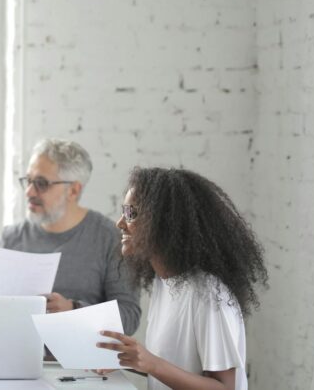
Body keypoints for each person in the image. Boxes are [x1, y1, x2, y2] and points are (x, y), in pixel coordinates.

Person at [96, 167, 268, 390]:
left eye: (131, 213)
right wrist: (128, 360)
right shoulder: (164, 282)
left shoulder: (208, 294)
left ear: (164, 222)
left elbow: (225, 388)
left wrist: (152, 364)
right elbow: (175, 367)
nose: (120, 223)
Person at [0, 138, 140, 334]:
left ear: (73, 190)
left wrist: (73, 310)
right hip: (13, 358)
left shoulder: (109, 238)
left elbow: (129, 318)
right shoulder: (11, 238)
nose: (29, 191)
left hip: (81, 363)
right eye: (28, 181)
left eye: (41, 183)